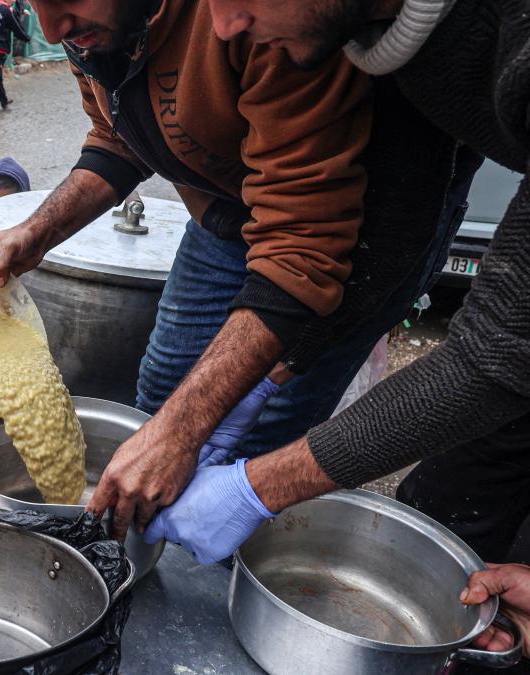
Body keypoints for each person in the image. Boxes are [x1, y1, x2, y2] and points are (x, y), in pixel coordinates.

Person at [0, 0, 473, 540]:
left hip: (353, 231)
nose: (53, 30)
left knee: (255, 439)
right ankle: (137, 545)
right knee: (158, 398)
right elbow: (116, 136)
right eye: (38, 5)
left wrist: (190, 434)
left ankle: (219, 574)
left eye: (67, 2)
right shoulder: (93, 28)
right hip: (223, 212)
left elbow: (305, 247)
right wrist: (38, 230)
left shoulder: (269, 20)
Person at [141, 0, 530, 567]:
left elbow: (500, 350)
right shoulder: (378, 39)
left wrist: (259, 488)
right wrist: (275, 373)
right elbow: (391, 232)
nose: (223, 27)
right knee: (446, 499)